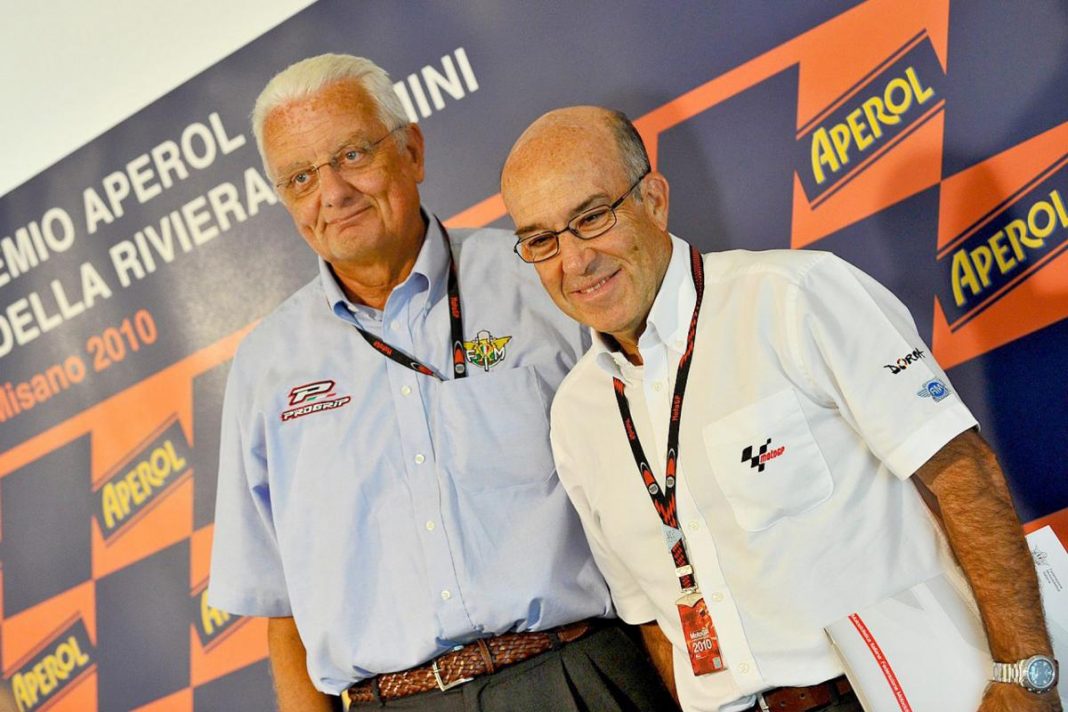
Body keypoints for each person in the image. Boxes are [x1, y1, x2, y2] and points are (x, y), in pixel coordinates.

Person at [499, 105, 1061, 712]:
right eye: (541, 240)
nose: (574, 261)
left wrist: (1024, 673)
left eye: (592, 217)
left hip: (898, 694)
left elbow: (963, 475)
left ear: (654, 200)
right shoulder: (575, 416)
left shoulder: (794, 297)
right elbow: (653, 620)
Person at [207, 57, 675, 712]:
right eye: (301, 177)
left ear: (412, 151)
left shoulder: (542, 284)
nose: (333, 193)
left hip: (574, 675)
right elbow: (282, 609)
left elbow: (657, 503)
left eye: (352, 154)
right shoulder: (265, 367)